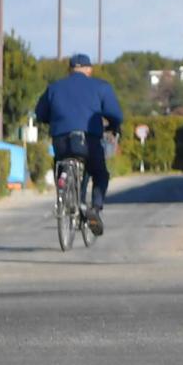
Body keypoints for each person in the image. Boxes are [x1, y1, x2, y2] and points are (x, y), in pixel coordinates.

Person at [34, 52, 123, 235]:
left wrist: (55, 121)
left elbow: (40, 113)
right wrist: (113, 127)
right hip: (87, 139)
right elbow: (116, 115)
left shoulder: (54, 87)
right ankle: (95, 208)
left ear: (70, 70)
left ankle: (63, 188)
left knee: (63, 163)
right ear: (89, 70)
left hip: (61, 140)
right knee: (99, 173)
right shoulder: (101, 87)